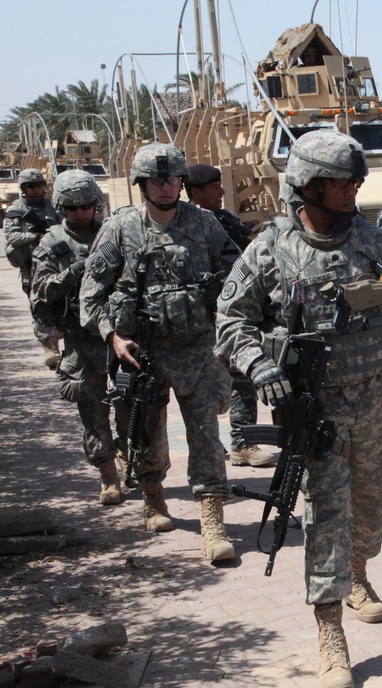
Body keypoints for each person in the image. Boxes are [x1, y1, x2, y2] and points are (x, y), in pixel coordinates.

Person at [214, 131, 382, 688]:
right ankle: (330, 632)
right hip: (317, 413)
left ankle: (358, 573)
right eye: (340, 182)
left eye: (355, 181)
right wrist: (259, 365)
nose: (352, 189)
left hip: (375, 406)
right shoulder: (270, 249)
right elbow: (231, 320)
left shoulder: (377, 246)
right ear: (306, 185)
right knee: (327, 515)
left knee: (371, 508)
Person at [79, 143, 240, 565]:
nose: (166, 187)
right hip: (142, 352)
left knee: (205, 432)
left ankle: (213, 522)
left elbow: (238, 277)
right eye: (157, 180)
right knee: (146, 433)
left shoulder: (204, 224)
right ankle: (153, 497)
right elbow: (92, 294)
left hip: (198, 347)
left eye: (172, 179)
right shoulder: (120, 228)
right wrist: (113, 336)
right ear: (141, 184)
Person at [30, 170, 122, 504]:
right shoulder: (52, 243)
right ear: (61, 208)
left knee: (134, 407)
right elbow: (40, 293)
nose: (80, 212)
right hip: (81, 341)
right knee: (93, 412)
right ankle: (108, 476)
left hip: (120, 337)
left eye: (86, 205)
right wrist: (71, 273)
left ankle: (134, 461)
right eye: (72, 208)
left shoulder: (114, 233)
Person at [185, 163, 275, 468]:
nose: (222, 192)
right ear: (195, 192)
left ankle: (242, 442)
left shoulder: (225, 221)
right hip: (203, 320)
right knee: (205, 389)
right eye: (214, 188)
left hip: (231, 315)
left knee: (241, 379)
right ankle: (222, 443)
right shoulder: (190, 227)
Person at [4, 167, 62, 369]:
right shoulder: (16, 210)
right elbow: (11, 236)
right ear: (23, 188)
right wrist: (36, 237)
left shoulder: (53, 206)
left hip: (56, 263)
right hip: (32, 267)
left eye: (38, 185)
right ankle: (49, 346)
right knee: (39, 306)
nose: (35, 190)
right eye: (30, 186)